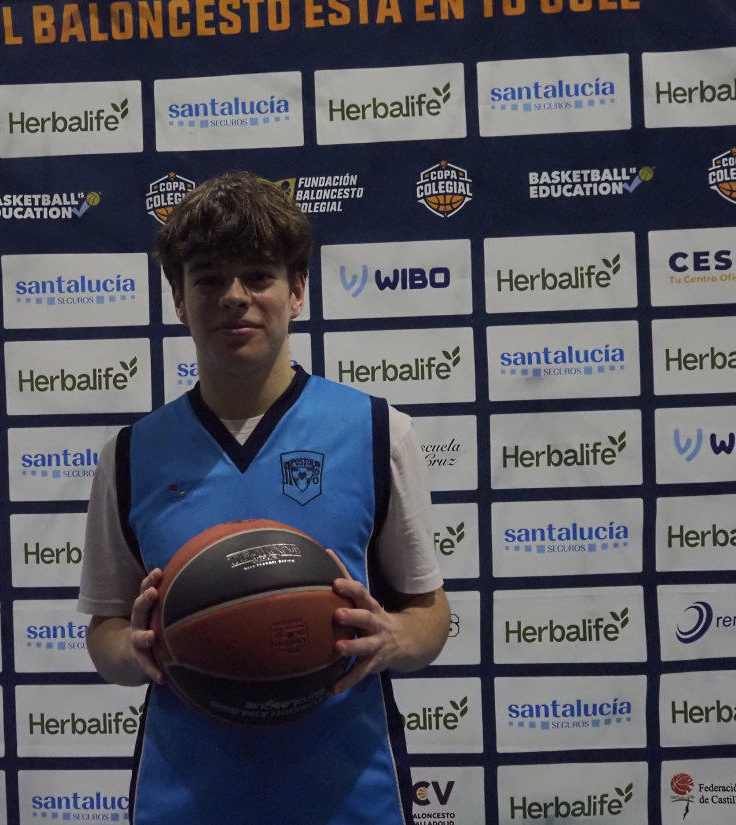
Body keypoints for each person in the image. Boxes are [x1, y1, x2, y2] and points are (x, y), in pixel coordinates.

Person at [78, 171, 451, 825]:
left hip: (350, 799)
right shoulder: (130, 455)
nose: (235, 297)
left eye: (258, 275)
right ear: (178, 298)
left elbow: (431, 615)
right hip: (185, 800)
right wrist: (131, 648)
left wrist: (393, 637)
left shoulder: (377, 431)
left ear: (297, 289)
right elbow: (105, 631)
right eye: (208, 280)